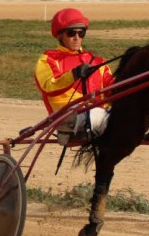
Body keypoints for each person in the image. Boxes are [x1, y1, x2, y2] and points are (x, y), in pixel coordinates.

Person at [34, 8, 114, 145]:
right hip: (68, 116)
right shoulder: (49, 59)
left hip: (98, 113)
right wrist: (74, 74)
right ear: (60, 36)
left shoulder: (97, 61)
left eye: (81, 33)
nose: (77, 38)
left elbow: (112, 87)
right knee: (99, 116)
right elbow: (49, 87)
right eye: (71, 33)